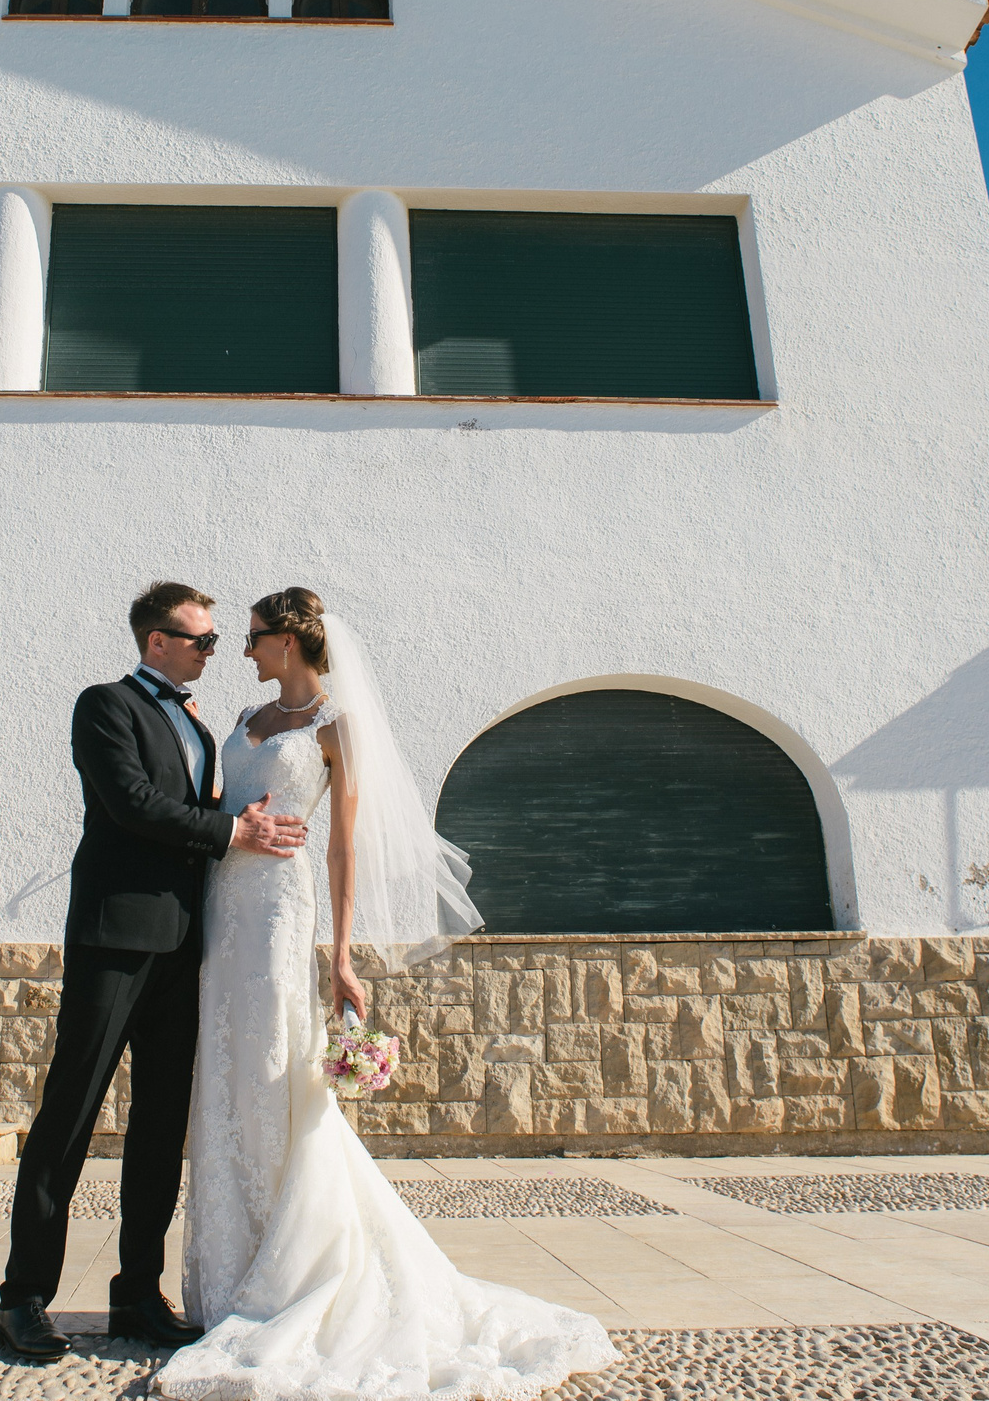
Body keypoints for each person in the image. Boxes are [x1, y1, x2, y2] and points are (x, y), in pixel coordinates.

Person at [158, 588, 621, 1401]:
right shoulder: (241, 715)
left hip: (276, 910)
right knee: (224, 1074)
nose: (245, 651)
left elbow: (342, 846)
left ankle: (285, 1265)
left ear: (293, 645)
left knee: (272, 1073)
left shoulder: (335, 730)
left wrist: (340, 955)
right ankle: (225, 1271)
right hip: (218, 910)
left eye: (257, 638)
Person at [0, 582, 312, 1363]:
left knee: (160, 1125)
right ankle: (24, 1296)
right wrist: (234, 828)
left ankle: (138, 1290)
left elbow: (195, 800)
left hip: (184, 947)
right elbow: (133, 803)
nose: (213, 651)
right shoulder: (102, 705)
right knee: (68, 1112)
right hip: (116, 937)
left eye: (215, 639)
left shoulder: (200, 722)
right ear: (157, 640)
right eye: (202, 639)